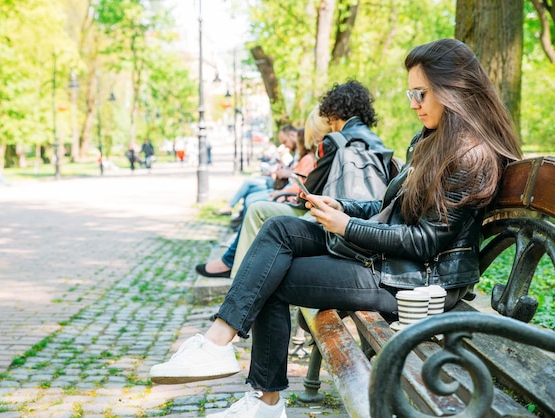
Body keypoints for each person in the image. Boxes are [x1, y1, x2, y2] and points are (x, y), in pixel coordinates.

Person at [149, 39, 523, 417]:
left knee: (271, 277)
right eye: (411, 92)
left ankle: (264, 402)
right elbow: (390, 208)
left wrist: (346, 227)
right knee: (280, 230)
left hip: (417, 284)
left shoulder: (469, 155)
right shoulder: (432, 140)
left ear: (453, 89)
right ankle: (216, 345)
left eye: (420, 93)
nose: (413, 103)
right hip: (394, 264)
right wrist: (342, 206)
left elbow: (425, 243)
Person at [196, 80, 390, 279]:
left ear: (334, 112)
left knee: (257, 210)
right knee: (260, 208)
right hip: (368, 223)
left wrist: (298, 192)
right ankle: (236, 271)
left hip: (332, 224)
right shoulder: (377, 142)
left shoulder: (337, 139)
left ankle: (239, 278)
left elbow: (310, 191)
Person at [197, 109, 327, 278]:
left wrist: (281, 190)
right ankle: (236, 269)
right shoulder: (315, 155)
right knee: (252, 200)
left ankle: (233, 266)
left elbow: (301, 187)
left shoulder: (312, 157)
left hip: (303, 206)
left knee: (254, 204)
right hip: (296, 201)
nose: (287, 145)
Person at [213, 125, 298, 217]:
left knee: (250, 193)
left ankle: (234, 213)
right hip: (281, 187)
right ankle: (239, 220)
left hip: (283, 191)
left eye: (285, 142)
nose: (285, 145)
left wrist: (283, 175)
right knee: (249, 191)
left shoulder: (304, 157)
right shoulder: (298, 155)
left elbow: (297, 181)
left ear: (293, 135)